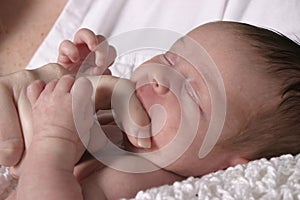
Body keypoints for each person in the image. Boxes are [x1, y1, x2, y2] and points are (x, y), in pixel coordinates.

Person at [1, 21, 300, 199]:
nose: (160, 78)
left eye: (192, 94)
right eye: (170, 59)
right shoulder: (123, 129)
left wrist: (53, 139)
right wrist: (80, 82)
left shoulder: (146, 179)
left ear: (230, 167)